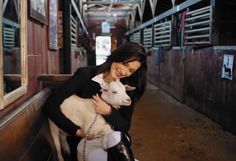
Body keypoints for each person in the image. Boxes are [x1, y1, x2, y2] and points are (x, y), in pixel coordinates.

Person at [43, 42, 148, 161]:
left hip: (113, 139)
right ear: (117, 56)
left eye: (131, 71)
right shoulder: (85, 75)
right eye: (125, 64)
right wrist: (76, 131)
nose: (124, 72)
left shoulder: (126, 89)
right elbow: (50, 105)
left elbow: (124, 126)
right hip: (85, 142)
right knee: (100, 157)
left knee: (115, 137)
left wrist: (109, 111)